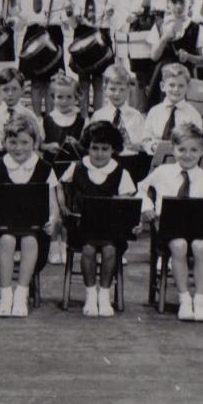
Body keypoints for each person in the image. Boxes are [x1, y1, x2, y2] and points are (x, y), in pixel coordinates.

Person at [138, 123, 203, 321]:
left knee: (200, 247)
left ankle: (199, 298)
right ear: (172, 149)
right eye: (182, 150)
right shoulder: (162, 172)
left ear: (202, 151)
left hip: (198, 229)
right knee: (179, 246)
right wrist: (147, 207)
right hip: (169, 229)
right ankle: (184, 299)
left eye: (194, 150)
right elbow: (140, 189)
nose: (188, 155)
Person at [0, 115, 59, 318]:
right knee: (7, 239)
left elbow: (53, 204)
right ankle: (5, 295)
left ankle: (21, 294)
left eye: (24, 142)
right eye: (12, 142)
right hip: (2, 226)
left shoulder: (44, 168)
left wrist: (53, 219)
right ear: (4, 142)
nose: (18, 148)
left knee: (30, 240)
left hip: (33, 228)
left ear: (35, 143)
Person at [57, 121, 137, 316]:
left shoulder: (120, 172)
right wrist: (62, 206)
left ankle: (104, 294)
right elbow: (59, 185)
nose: (99, 153)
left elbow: (128, 200)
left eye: (104, 149)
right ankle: (91, 294)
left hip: (111, 229)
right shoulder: (76, 168)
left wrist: (120, 201)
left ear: (113, 149)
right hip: (82, 227)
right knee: (88, 248)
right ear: (87, 147)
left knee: (110, 249)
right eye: (94, 148)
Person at [18, 0, 70, 115]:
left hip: (53, 33)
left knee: (50, 79)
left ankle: (49, 115)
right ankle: (36, 115)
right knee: (35, 80)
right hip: (33, 32)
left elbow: (64, 12)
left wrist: (65, 16)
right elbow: (23, 12)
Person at [68, 0, 118, 112]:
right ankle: (82, 117)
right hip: (82, 33)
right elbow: (72, 19)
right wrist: (72, 15)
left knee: (99, 81)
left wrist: (113, 15)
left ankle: (97, 115)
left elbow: (118, 19)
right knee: (83, 80)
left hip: (102, 33)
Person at [40, 73, 85, 265]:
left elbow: (86, 148)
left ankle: (66, 245)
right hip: (52, 170)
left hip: (73, 172)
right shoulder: (47, 119)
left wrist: (77, 144)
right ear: (52, 98)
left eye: (69, 97)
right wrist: (47, 146)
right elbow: (38, 145)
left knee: (69, 209)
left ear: (76, 98)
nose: (64, 101)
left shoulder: (81, 120)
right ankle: (52, 245)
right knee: (54, 210)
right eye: (60, 97)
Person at [118, 0, 168, 107]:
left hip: (157, 31)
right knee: (139, 76)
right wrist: (129, 16)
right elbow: (121, 9)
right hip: (138, 30)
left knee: (156, 74)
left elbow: (169, 9)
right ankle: (139, 110)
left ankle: (154, 109)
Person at [146, 0, 202, 105]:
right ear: (168, 4)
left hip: (186, 77)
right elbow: (154, 56)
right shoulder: (160, 26)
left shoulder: (196, 28)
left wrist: (189, 57)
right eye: (174, 2)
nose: (178, 7)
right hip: (163, 77)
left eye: (182, 3)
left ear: (190, 3)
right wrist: (164, 39)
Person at [140, 63, 203, 156]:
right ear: (162, 86)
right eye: (171, 85)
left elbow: (198, 142)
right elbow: (145, 139)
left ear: (188, 87)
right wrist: (153, 147)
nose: (176, 89)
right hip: (156, 160)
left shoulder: (193, 114)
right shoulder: (154, 111)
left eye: (181, 86)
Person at [91, 63, 146, 156]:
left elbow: (143, 143)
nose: (117, 94)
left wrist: (138, 145)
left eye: (122, 89)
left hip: (131, 161)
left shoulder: (136, 116)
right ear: (104, 88)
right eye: (112, 89)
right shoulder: (98, 116)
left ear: (128, 89)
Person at [0, 67, 40, 155]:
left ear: (22, 90)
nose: (10, 94)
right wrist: (1, 147)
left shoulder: (29, 114)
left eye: (14, 89)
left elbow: (37, 139)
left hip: (23, 155)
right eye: (5, 89)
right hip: (0, 156)